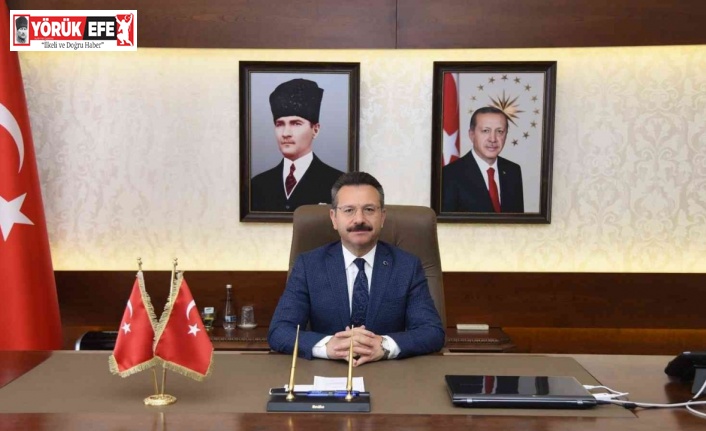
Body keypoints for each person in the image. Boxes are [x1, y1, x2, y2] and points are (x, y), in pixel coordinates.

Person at [268, 172, 445, 365]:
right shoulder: (308, 265)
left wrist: (384, 346)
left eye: (369, 209)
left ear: (382, 217)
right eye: (349, 210)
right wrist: (328, 346)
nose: (359, 219)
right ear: (334, 218)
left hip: (388, 374)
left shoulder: (407, 266)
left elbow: (432, 332)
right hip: (326, 372)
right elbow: (280, 331)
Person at [250, 78, 343, 212]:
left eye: (296, 124)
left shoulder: (339, 183)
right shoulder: (257, 185)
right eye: (280, 124)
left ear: (315, 130)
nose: (285, 133)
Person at [442, 106, 524, 213]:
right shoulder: (449, 174)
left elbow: (518, 221)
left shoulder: (513, 171)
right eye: (486, 131)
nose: (493, 139)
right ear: (472, 134)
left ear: (506, 135)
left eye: (500, 131)